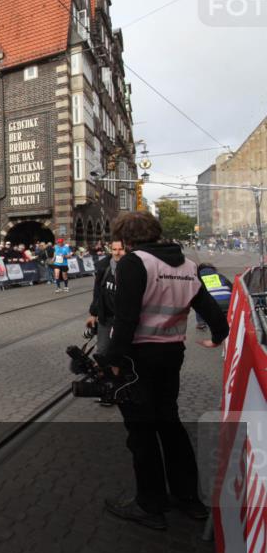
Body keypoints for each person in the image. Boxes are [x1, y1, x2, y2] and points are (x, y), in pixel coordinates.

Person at [103, 211, 229, 530]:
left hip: (138, 357)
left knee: (142, 432)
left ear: (127, 237)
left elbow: (126, 317)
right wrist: (218, 335)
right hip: (172, 353)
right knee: (169, 423)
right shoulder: (187, 265)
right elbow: (210, 308)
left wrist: (113, 360)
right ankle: (188, 499)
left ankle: (150, 504)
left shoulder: (136, 262)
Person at [86, 240, 125, 373]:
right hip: (106, 317)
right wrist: (93, 314)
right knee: (102, 351)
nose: (117, 252)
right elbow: (97, 292)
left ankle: (120, 383)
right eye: (114, 249)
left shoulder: (132, 269)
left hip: (124, 320)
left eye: (121, 249)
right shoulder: (104, 268)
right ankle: (104, 381)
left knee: (120, 354)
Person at [195, 263, 232, 330]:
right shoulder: (220, 276)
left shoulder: (197, 278)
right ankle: (227, 318)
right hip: (227, 303)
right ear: (213, 269)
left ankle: (201, 323)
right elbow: (232, 288)